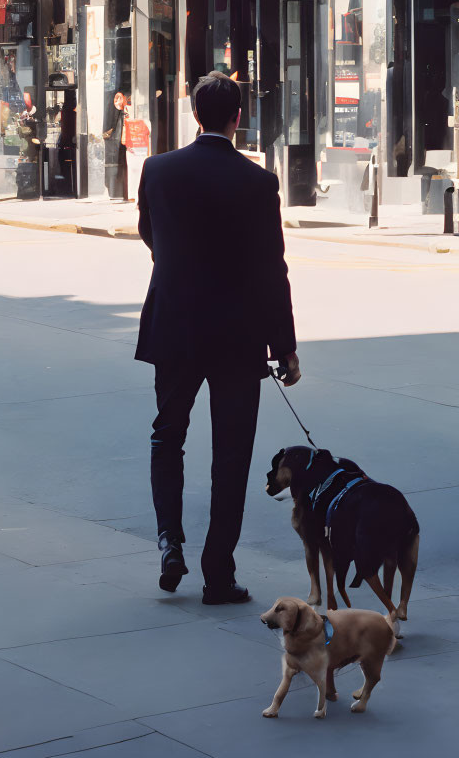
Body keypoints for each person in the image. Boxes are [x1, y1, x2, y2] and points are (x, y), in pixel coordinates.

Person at [136, 71, 300, 605]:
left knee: (168, 435)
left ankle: (169, 544)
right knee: (230, 454)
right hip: (237, 336)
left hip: (176, 327)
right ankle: (218, 572)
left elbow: (151, 236)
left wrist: (179, 266)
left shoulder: (158, 170)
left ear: (193, 112)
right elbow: (272, 270)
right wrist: (285, 347)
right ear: (238, 118)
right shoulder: (257, 182)